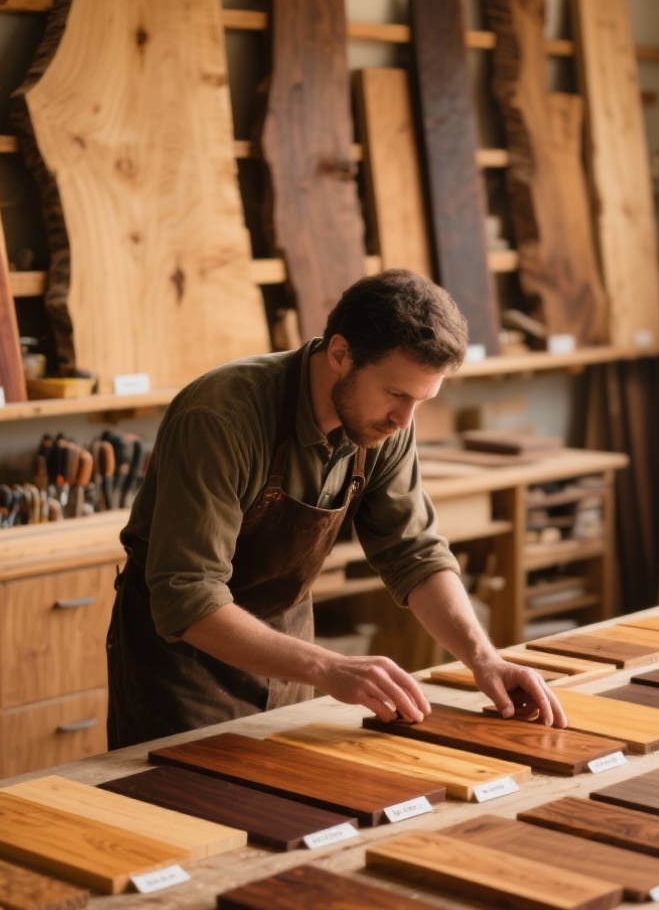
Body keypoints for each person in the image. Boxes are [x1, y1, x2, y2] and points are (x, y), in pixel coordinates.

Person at [107, 268, 566, 747]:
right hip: (183, 668)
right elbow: (187, 594)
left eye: (422, 401)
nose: (405, 419)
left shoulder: (384, 424)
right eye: (396, 394)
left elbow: (414, 553)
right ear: (341, 354)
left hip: (287, 649)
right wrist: (326, 665)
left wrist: (484, 659)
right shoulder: (222, 419)